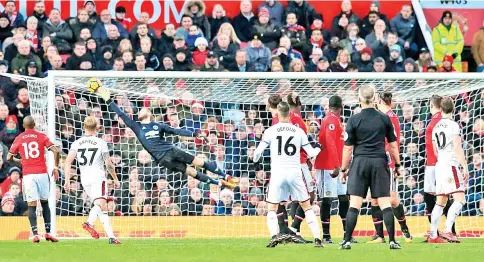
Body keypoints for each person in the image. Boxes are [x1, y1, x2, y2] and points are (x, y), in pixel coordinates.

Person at [95, 86, 235, 188]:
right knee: (191, 172)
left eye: (144, 109)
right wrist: (108, 100)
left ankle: (225, 176)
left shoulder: (158, 125)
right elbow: (121, 114)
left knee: (199, 163)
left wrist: (194, 134)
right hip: (163, 160)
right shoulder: (136, 127)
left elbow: (176, 131)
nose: (141, 110)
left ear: (149, 113)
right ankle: (219, 183)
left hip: (171, 150)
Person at [339, 85, 403, 250]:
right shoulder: (384, 118)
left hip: (360, 162)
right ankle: (392, 241)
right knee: (384, 203)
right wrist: (397, 165)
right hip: (379, 162)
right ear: (375, 99)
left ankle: (346, 241)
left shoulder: (354, 119)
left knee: (355, 204)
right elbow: (393, 145)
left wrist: (344, 169)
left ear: (359, 99)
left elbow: (347, 148)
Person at [253, 101, 323, 248]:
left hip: (278, 173)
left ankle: (274, 236)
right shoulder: (298, 131)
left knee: (272, 207)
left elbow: (258, 152)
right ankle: (318, 239)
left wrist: (255, 160)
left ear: (277, 113)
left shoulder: (271, 131)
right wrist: (318, 148)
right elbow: (311, 153)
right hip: (294, 172)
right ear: (290, 113)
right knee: (306, 206)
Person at [63, 117, 121, 244]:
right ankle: (89, 223)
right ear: (96, 128)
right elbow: (108, 163)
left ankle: (112, 237)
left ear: (84, 127)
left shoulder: (77, 143)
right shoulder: (101, 143)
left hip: (85, 179)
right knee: (100, 204)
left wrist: (67, 180)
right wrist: (115, 179)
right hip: (98, 178)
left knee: (102, 207)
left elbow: (67, 162)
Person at [367, 92, 413, 244]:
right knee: (374, 199)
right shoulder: (385, 116)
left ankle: (405, 230)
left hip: (388, 163)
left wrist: (394, 163)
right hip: (378, 161)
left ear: (379, 100)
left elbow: (392, 143)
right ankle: (379, 235)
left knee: (392, 199)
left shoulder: (389, 117)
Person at [6, 116, 60, 243]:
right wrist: (56, 167)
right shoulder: (41, 136)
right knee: (45, 203)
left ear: (23, 126)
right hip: (42, 173)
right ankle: (48, 233)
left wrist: (19, 160)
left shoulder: (19, 138)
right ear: (34, 124)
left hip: (28, 175)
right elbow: (56, 151)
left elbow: (8, 157)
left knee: (31, 205)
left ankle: (35, 234)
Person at [314, 95, 356, 244]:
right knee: (327, 199)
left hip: (338, 166)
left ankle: (347, 234)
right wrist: (337, 165)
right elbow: (330, 143)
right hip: (328, 166)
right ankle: (326, 236)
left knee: (343, 197)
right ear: (341, 107)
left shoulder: (334, 120)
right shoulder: (331, 120)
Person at [428, 97, 468, 243]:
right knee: (460, 198)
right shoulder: (454, 125)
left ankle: (433, 235)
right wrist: (464, 166)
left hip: (439, 165)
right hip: (450, 165)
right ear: (453, 107)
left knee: (440, 202)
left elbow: (435, 150)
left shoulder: (436, 126)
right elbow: (457, 147)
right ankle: (447, 230)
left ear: (440, 108)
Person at [423, 95, 458, 241]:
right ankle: (444, 232)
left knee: (435, 198)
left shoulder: (436, 121)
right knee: (441, 198)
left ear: (432, 106)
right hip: (438, 164)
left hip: (435, 165)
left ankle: (440, 232)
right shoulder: (441, 120)